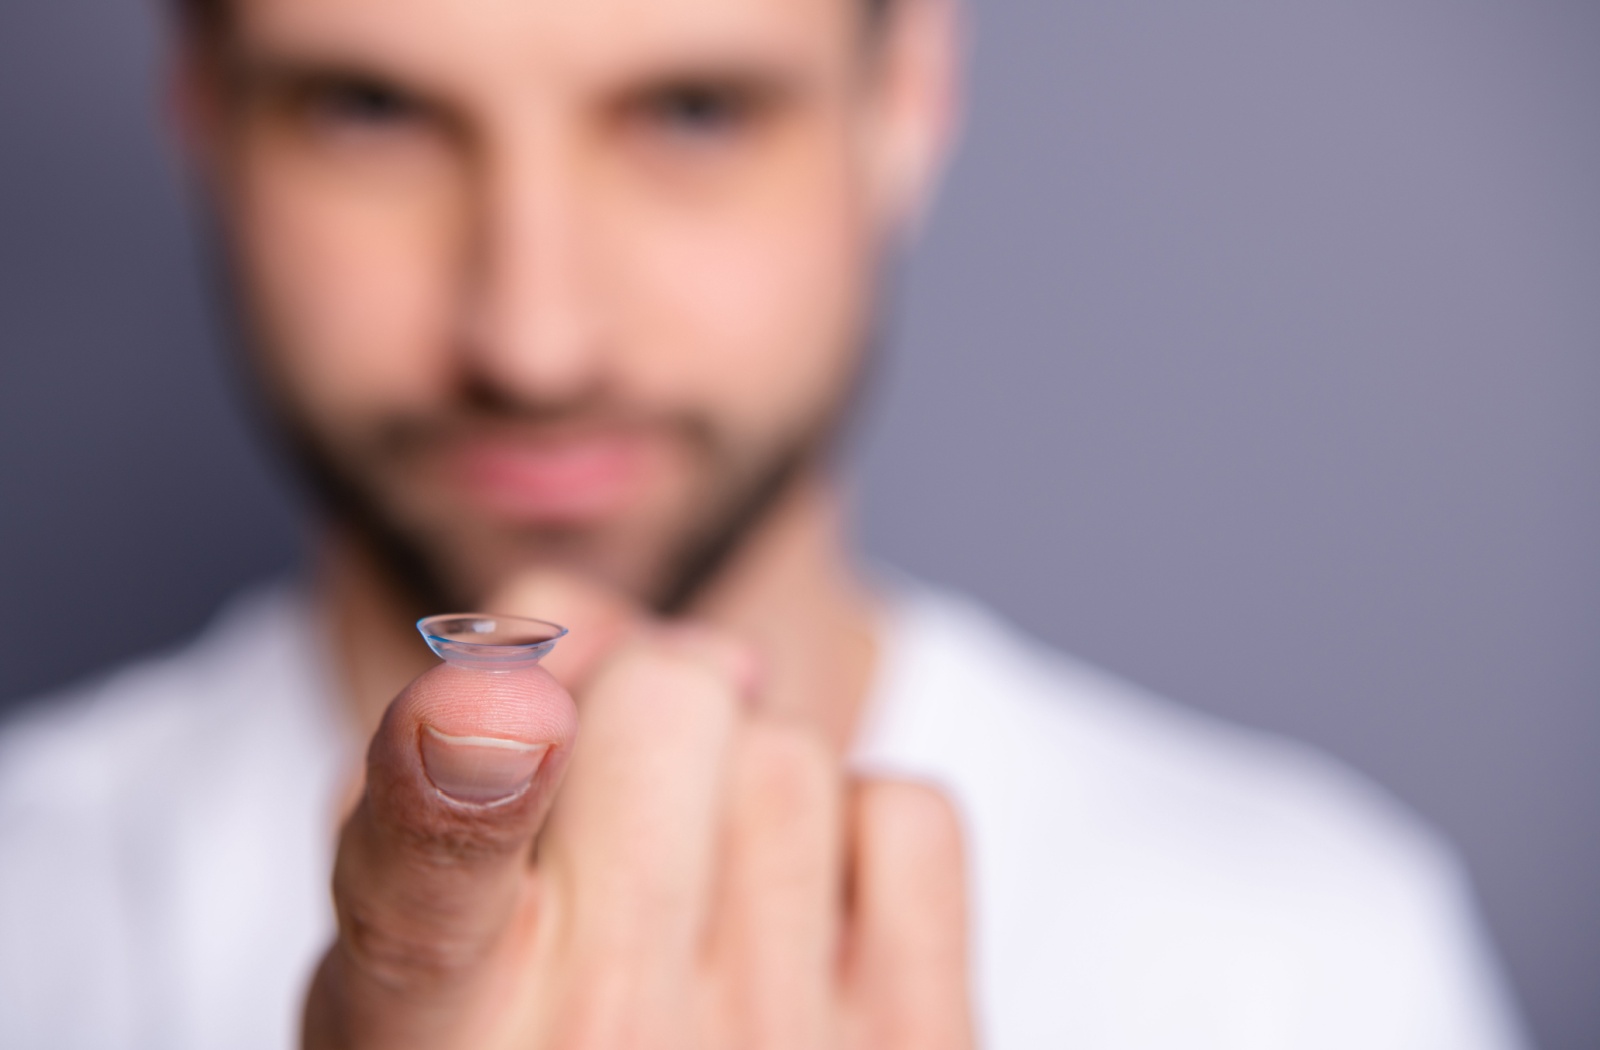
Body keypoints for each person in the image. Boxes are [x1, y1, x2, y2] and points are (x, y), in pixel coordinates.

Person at [0, 0, 1531, 1045]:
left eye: (693, 108)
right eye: (372, 109)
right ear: (197, 110)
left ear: (909, 101)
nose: (536, 337)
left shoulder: (1308, 951)